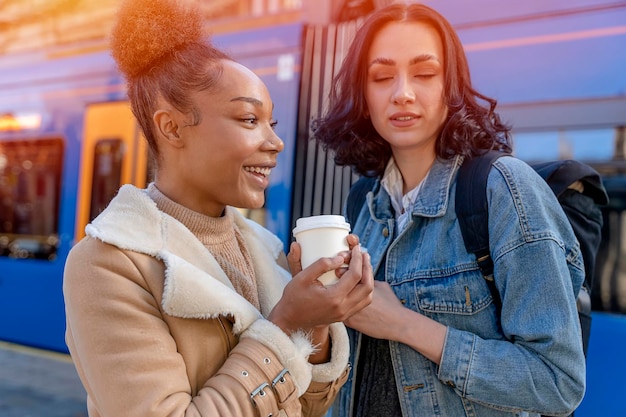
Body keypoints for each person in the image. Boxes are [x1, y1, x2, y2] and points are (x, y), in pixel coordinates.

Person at [62, 0, 374, 416]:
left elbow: (309, 406)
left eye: (272, 125)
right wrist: (284, 324)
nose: (275, 143)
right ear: (171, 127)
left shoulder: (265, 247)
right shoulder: (107, 264)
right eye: (249, 120)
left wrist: (316, 319)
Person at [311, 3, 586, 417]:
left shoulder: (502, 189)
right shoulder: (365, 202)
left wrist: (405, 325)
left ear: (451, 86)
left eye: (424, 74)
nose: (402, 92)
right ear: (364, 95)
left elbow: (558, 383)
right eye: (382, 77)